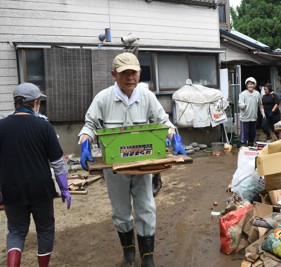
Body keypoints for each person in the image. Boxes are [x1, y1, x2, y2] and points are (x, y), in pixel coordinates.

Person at [78, 52, 182, 267]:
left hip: (143, 165)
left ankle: (147, 256)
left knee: (146, 208)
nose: (129, 77)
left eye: (133, 72)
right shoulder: (103, 98)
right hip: (114, 167)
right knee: (121, 211)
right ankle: (128, 253)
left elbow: (163, 121)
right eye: (124, 73)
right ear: (113, 75)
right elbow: (89, 124)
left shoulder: (147, 97)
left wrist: (174, 137)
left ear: (139, 73)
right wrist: (86, 142)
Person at [0, 82, 71, 267]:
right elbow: (57, 163)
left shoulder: (1, 126)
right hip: (41, 189)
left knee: (15, 231)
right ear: (36, 103)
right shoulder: (44, 126)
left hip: (11, 190)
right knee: (45, 229)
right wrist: (65, 189)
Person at [238, 77, 265, 146]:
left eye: (252, 84)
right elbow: (240, 104)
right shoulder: (243, 94)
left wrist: (263, 113)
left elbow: (260, 104)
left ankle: (251, 144)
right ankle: (243, 145)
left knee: (252, 133)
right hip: (245, 118)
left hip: (253, 117)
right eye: (249, 84)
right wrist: (242, 105)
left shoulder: (257, 94)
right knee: (244, 133)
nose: (250, 86)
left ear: (255, 85)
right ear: (246, 85)